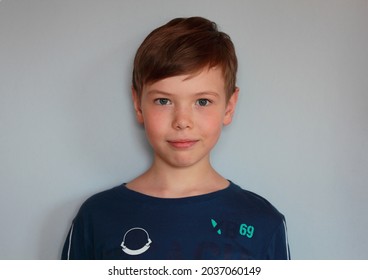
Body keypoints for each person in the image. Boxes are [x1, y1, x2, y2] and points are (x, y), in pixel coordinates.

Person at [61, 16, 290, 260]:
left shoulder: (263, 221)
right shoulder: (98, 217)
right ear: (138, 104)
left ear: (229, 107)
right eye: (163, 101)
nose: (182, 121)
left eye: (202, 101)